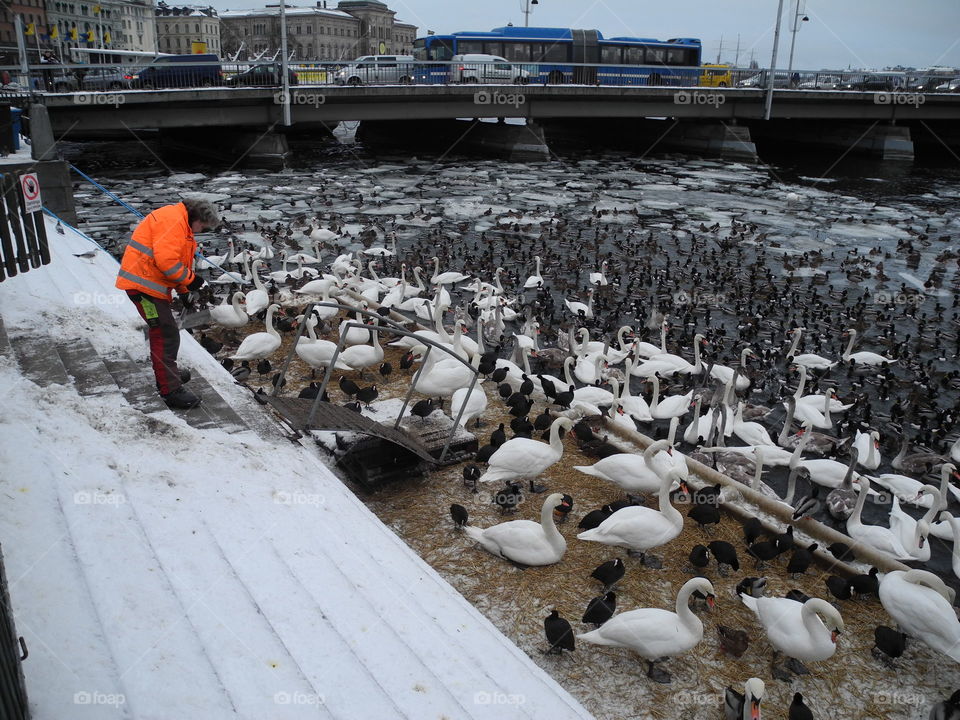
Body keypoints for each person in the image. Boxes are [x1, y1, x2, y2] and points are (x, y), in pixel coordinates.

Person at [115, 198, 219, 409]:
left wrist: (184, 290)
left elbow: (176, 263)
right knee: (165, 333)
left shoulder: (181, 223)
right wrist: (192, 281)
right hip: (142, 287)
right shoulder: (173, 223)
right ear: (197, 218)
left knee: (164, 332)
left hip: (149, 285)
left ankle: (166, 375)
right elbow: (166, 262)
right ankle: (170, 390)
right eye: (202, 227)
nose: (201, 231)